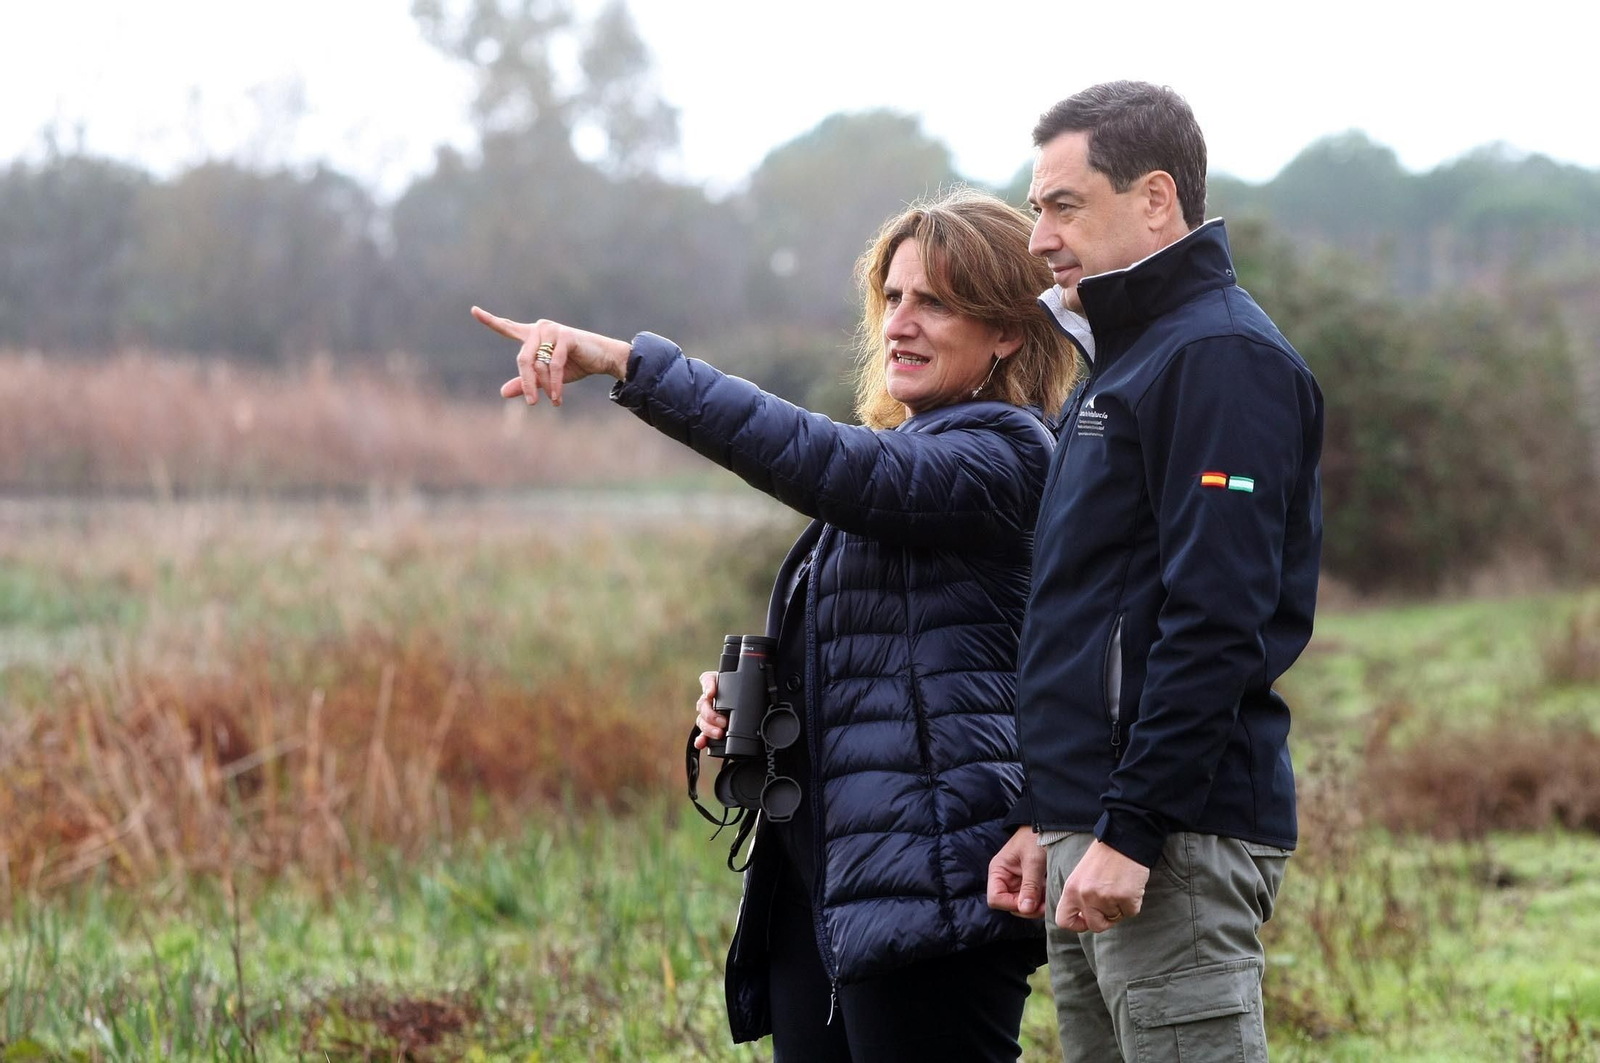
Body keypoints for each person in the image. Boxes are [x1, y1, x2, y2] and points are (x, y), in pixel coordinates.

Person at [473, 188, 1079, 1062]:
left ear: (1008, 333)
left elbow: (826, 463)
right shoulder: (914, 459)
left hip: (934, 882)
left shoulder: (1004, 454)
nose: (899, 324)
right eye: (893, 298)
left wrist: (624, 363)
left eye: (935, 302)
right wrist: (754, 701)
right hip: (830, 880)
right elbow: (888, 652)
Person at [985, 81, 1325, 1063]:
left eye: (1062, 204)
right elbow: (1084, 614)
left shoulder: (1217, 358)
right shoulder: (1125, 363)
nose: (1039, 235)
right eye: (1034, 208)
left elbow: (1219, 617)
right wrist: (1037, 813)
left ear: (1154, 198)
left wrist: (1133, 828)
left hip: (1166, 840)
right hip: (1089, 829)